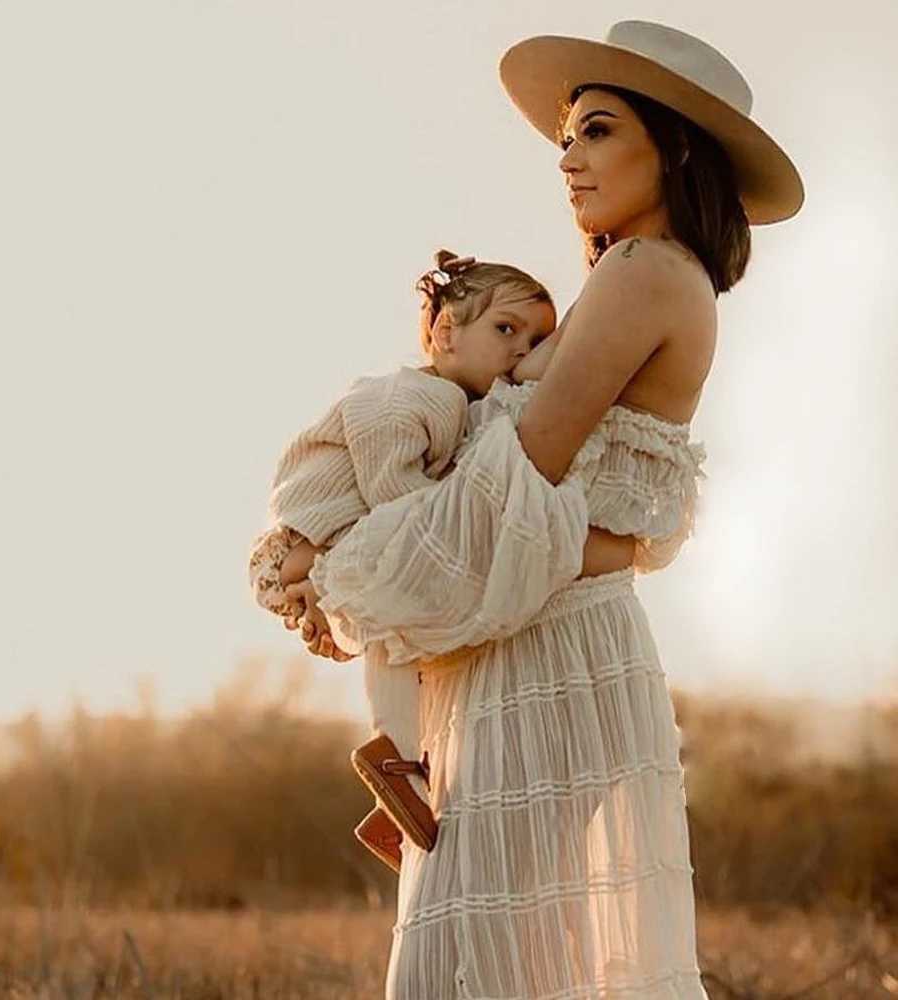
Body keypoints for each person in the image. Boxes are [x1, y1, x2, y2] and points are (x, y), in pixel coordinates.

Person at [286, 20, 803, 998]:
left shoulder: (644, 272)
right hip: (528, 645)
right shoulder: (645, 277)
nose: (567, 157)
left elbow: (515, 485)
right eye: (565, 135)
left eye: (597, 129)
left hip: (549, 655)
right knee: (508, 963)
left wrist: (343, 569)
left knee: (467, 967)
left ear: (676, 145)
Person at [247, 250, 563, 871]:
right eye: (506, 329)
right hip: (301, 544)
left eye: (536, 340)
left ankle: (401, 785)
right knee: (396, 618)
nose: (521, 351)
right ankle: (395, 759)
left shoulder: (455, 406)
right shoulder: (413, 397)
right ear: (446, 333)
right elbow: (396, 495)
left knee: (402, 643)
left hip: (330, 545)